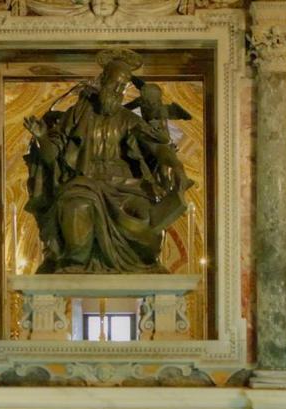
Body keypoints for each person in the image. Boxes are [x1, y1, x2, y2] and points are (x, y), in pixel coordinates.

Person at [23, 49, 191, 273]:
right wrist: (42, 137)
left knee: (145, 218)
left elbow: (157, 146)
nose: (119, 90)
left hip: (127, 189)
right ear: (103, 80)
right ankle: (75, 264)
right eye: (115, 83)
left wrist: (177, 166)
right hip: (83, 185)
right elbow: (51, 155)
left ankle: (143, 265)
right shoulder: (76, 115)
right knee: (75, 206)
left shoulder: (129, 119)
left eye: (124, 87)